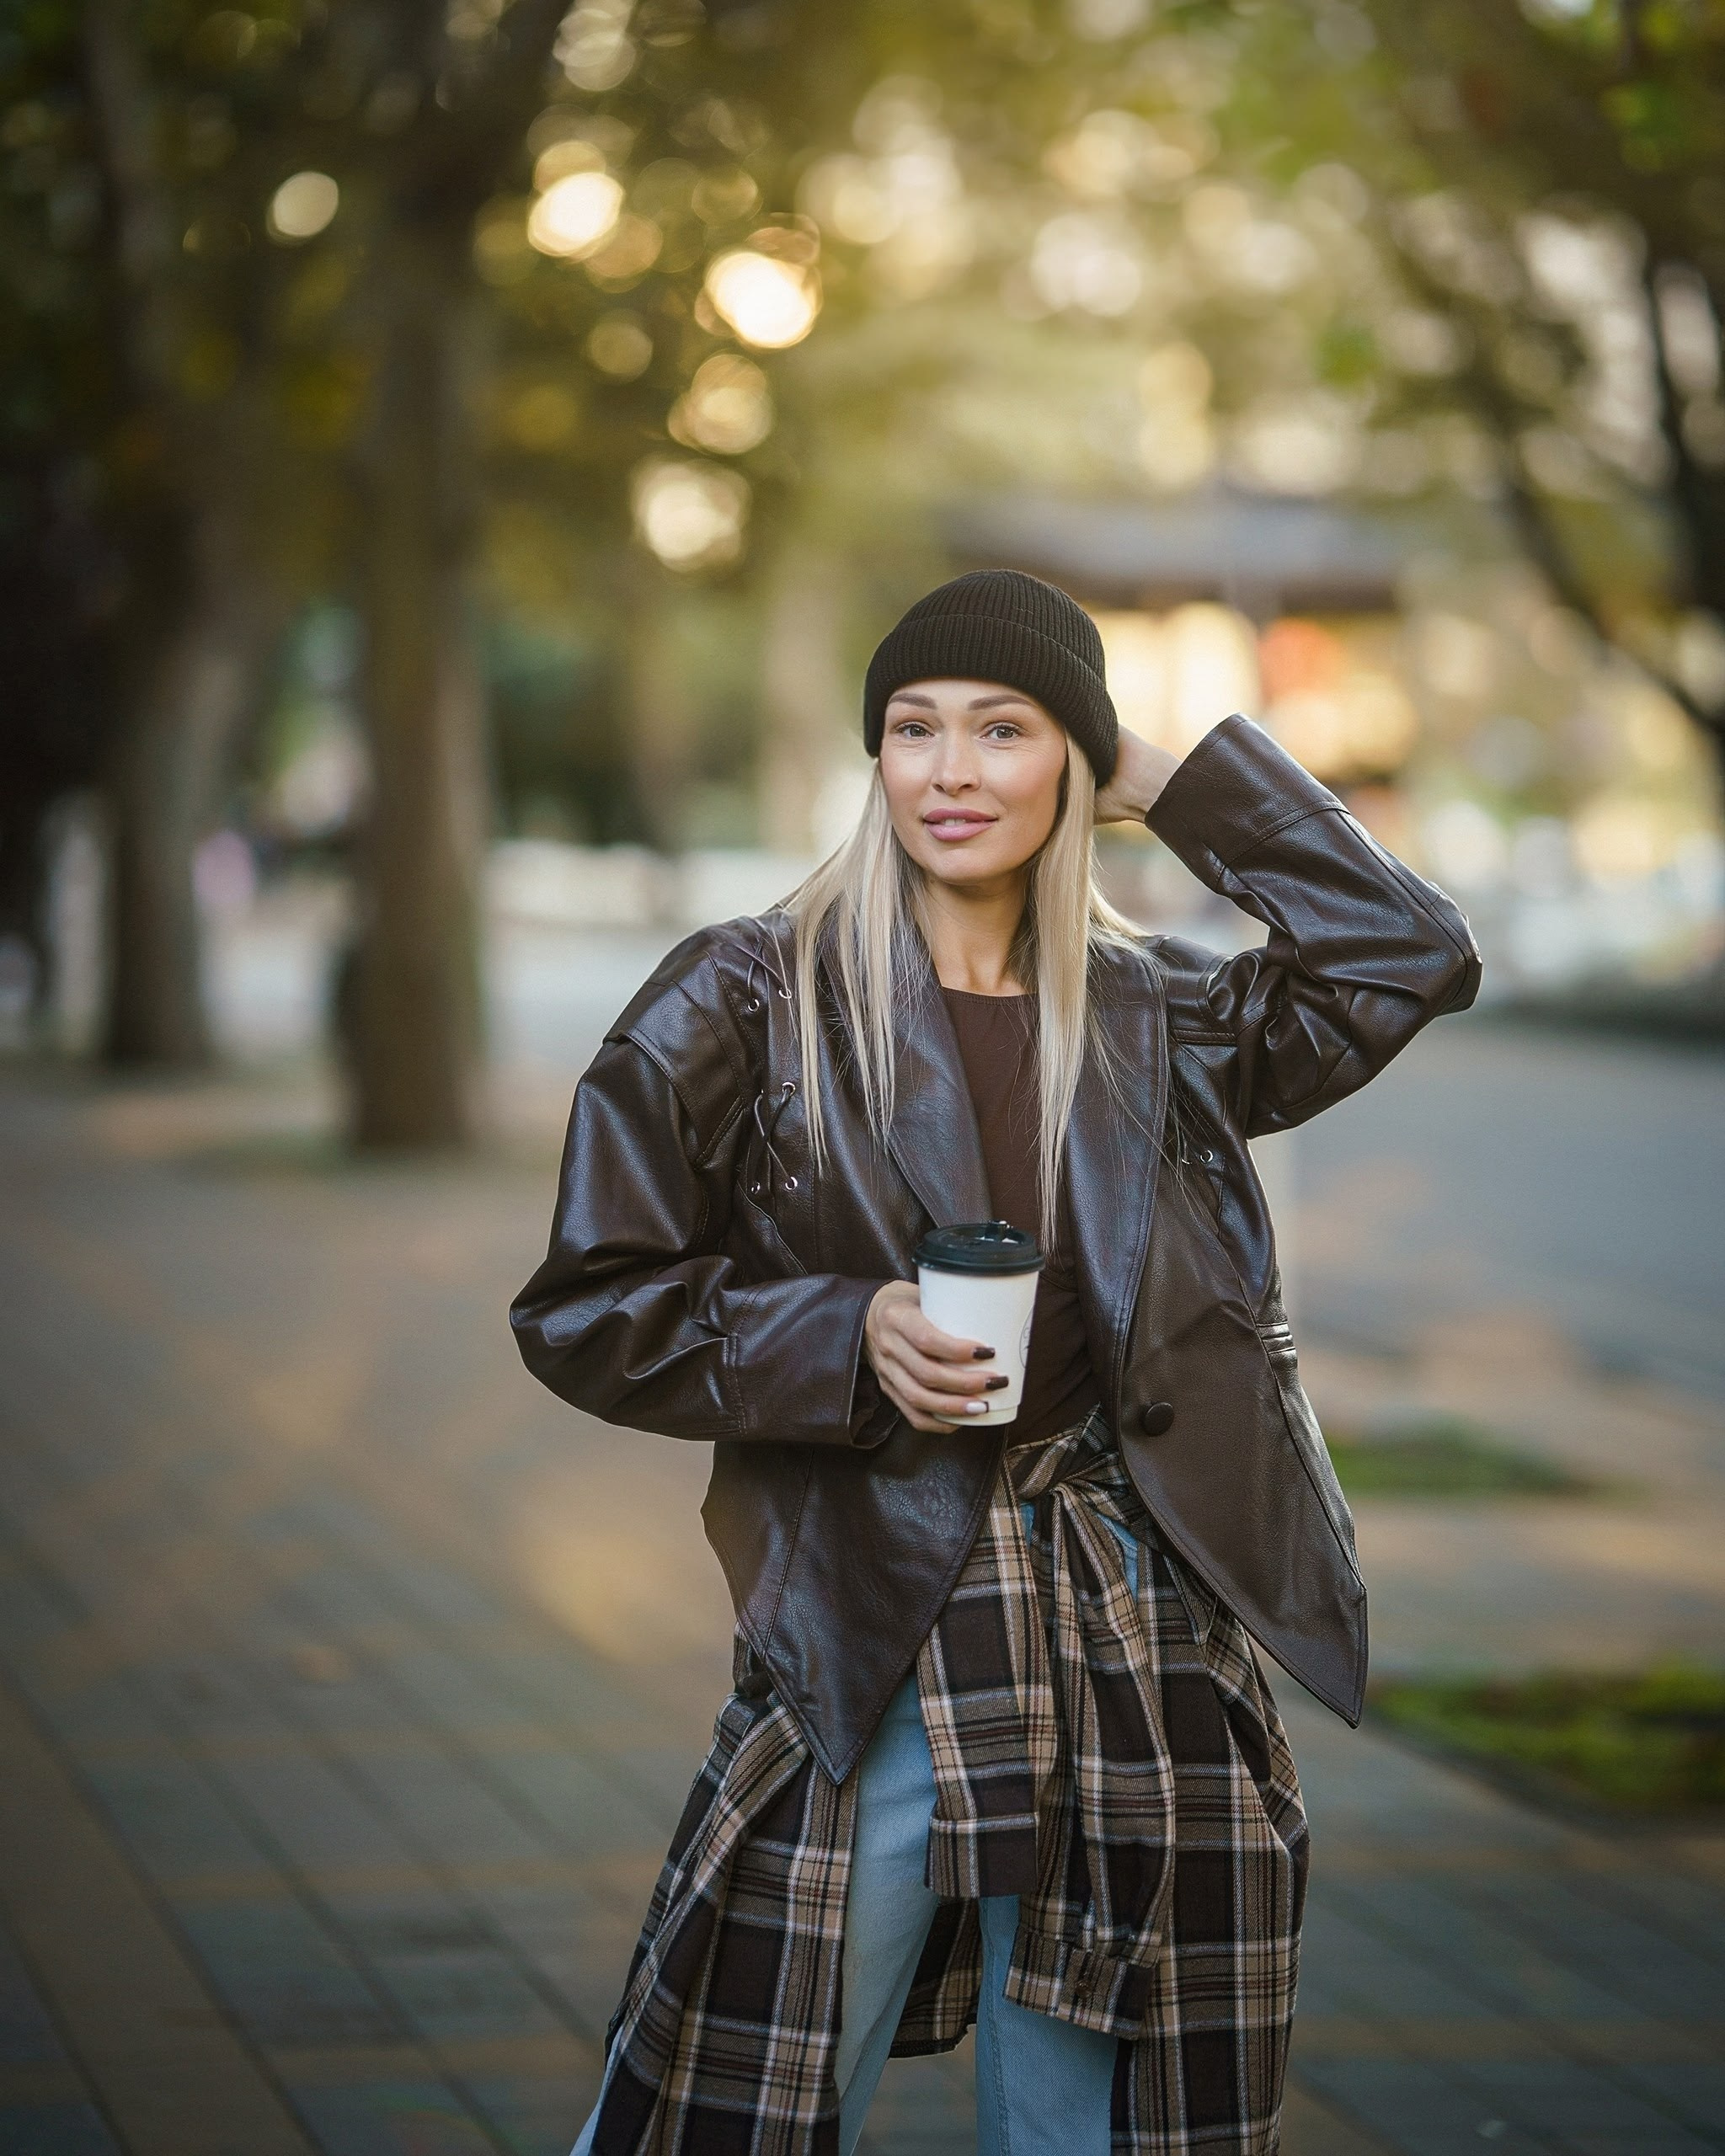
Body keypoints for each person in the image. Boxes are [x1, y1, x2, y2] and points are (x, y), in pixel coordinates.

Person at [510, 568, 1482, 2156]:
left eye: (1006, 730)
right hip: (879, 1615)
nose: (950, 771)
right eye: (912, 728)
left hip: (1142, 1625)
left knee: (1112, 2120)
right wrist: (840, 1333)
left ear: (1074, 770)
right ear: (873, 756)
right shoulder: (746, 995)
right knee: (743, 2091)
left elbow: (1404, 953)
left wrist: (1168, 777)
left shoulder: (1159, 1018)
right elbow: (584, 1301)